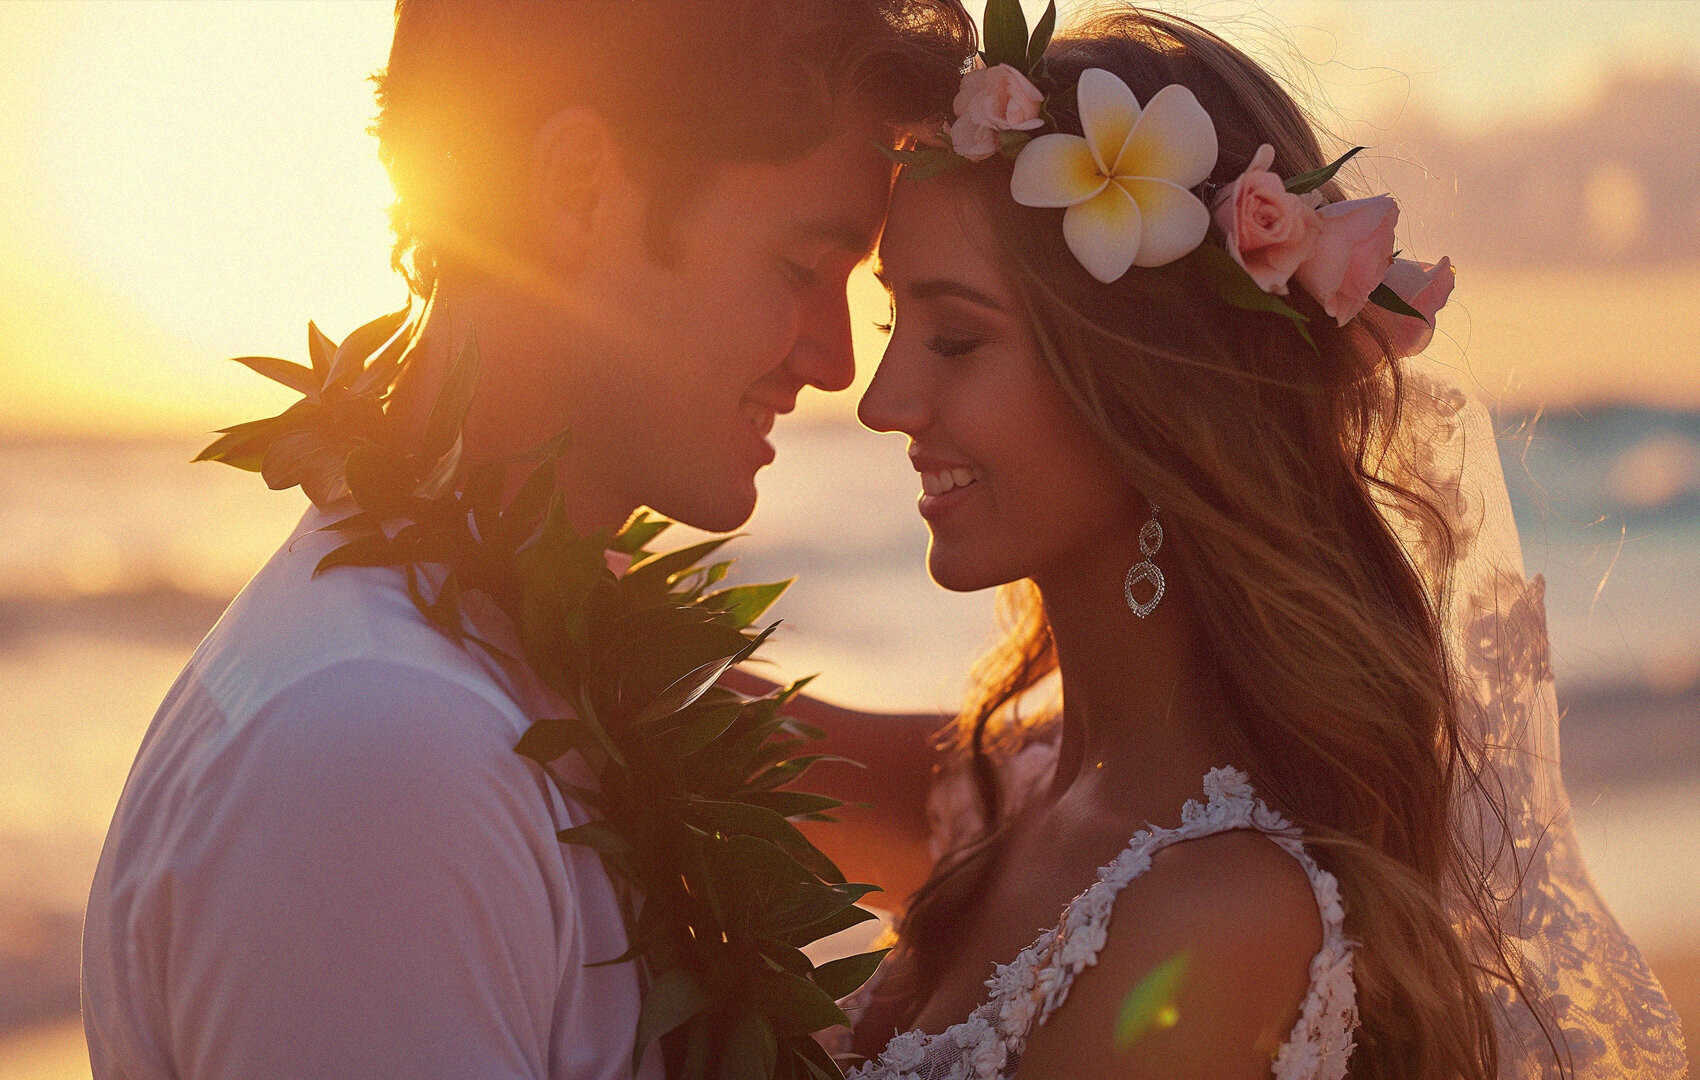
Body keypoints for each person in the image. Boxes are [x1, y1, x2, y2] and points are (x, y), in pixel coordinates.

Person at [791, 7, 1688, 1080]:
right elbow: (705, 729)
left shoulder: (1217, 919)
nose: (880, 400)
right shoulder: (1018, 789)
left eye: (954, 338)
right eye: (894, 323)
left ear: (1151, 386)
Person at [79, 3, 974, 1077]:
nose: (836, 365)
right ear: (577, 187)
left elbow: (971, 802)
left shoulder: (540, 660)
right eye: (799, 267)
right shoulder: (381, 756)